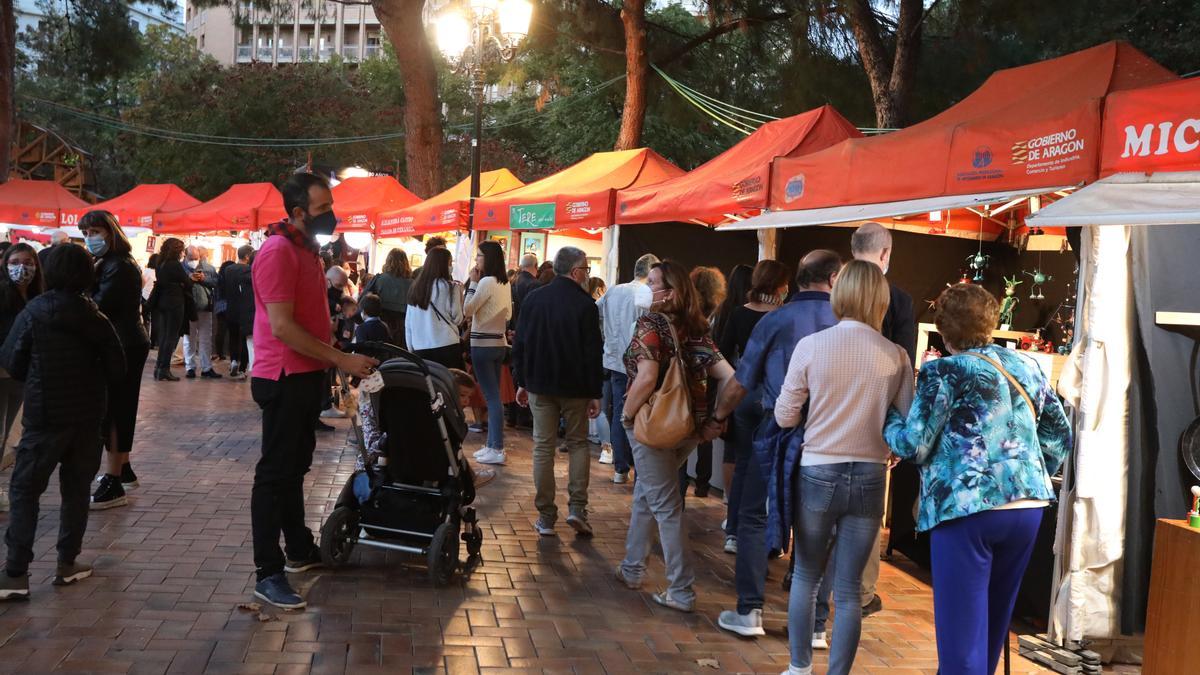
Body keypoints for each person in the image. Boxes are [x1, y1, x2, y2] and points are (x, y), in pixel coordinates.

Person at [884, 283, 1070, 675]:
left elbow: (914, 445)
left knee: (960, 640)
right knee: (990, 630)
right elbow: (1059, 434)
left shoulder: (944, 371)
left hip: (967, 509)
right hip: (1028, 507)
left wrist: (889, 419)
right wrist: (1024, 471)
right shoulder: (1025, 365)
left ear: (943, 328)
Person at [772, 260, 913, 675]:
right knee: (850, 591)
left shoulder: (812, 346)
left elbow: (784, 416)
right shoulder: (896, 355)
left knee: (806, 575)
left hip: (818, 468)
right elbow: (907, 423)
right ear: (881, 301)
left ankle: (799, 667)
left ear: (840, 294)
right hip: (871, 474)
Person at [248, 172, 377, 610]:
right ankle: (268, 571)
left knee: (293, 467)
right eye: (323, 208)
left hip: (305, 375)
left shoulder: (307, 252)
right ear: (299, 211)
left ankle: (298, 549)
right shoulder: (277, 251)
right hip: (281, 376)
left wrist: (333, 354)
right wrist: (340, 359)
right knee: (275, 474)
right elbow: (282, 327)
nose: (331, 214)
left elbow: (307, 320)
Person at [707, 250, 841, 639]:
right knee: (820, 529)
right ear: (833, 279)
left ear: (798, 279)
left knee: (752, 517)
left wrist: (717, 417)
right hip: (829, 437)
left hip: (776, 429)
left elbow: (740, 380)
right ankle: (815, 626)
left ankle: (750, 612)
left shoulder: (775, 319)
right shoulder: (849, 324)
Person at [0, 243, 125, 600]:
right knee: (75, 491)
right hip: (87, 417)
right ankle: (67, 563)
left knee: (25, 490)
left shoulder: (34, 312)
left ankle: (15, 572)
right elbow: (118, 369)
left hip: (43, 416)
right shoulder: (96, 317)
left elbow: (12, 359)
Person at [615, 260, 735, 613]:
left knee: (666, 507)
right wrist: (716, 418)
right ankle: (633, 567)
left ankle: (681, 590)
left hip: (653, 425)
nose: (648, 289)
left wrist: (626, 414)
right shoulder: (697, 328)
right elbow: (730, 378)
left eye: (653, 283)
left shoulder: (650, 323)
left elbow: (647, 376)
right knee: (647, 494)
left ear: (672, 291)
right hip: (688, 428)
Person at [511, 247, 604, 536]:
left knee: (542, 447)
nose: (587, 275)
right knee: (577, 444)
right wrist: (595, 391)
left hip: (539, 383)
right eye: (586, 270)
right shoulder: (586, 305)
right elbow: (592, 353)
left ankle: (546, 516)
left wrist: (522, 380)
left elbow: (521, 343)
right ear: (576, 271)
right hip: (575, 386)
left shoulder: (534, 299)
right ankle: (577, 508)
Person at [851, 221, 916, 616]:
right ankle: (860, 591)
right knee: (866, 515)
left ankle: (810, 581)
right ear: (886, 254)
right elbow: (903, 367)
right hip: (877, 423)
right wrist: (897, 434)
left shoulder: (833, 288)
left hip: (827, 425)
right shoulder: (900, 300)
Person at [715, 261, 788, 555]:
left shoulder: (738, 313)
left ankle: (733, 531)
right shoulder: (784, 316)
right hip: (776, 393)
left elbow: (720, 350)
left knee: (744, 463)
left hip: (744, 391)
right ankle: (770, 536)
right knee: (773, 467)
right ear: (782, 285)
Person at [80, 211, 152, 510]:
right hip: (124, 342)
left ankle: (114, 476)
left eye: (95, 231)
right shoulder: (112, 263)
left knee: (116, 409)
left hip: (123, 344)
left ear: (110, 232)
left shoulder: (118, 266)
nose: (90, 238)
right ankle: (121, 467)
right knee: (118, 408)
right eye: (85, 233)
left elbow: (100, 305)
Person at [597, 253, 658, 484]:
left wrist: (607, 335)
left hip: (613, 359)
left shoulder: (614, 290)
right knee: (638, 413)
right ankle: (640, 469)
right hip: (638, 362)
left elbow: (598, 311)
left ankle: (620, 469)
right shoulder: (645, 294)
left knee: (618, 413)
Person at [0, 244, 44, 512]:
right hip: (3, 370)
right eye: (15, 262)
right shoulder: (2, 294)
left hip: (20, 373)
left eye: (28, 262)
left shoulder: (39, 295)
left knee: (6, 433)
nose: (22, 268)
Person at [462, 240, 511, 464]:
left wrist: (472, 283)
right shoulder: (504, 282)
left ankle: (497, 447)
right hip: (498, 343)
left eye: (479, 256)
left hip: (482, 344)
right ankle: (492, 444)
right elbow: (508, 314)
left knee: (492, 397)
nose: (476, 260)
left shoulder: (486, 282)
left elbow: (467, 309)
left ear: (488, 259)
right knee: (494, 396)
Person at [682, 266, 726, 500]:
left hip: (685, 382)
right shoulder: (719, 315)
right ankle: (702, 483)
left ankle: (680, 491)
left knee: (679, 433)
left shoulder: (685, 316)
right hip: (709, 381)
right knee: (704, 432)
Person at [406, 247, 465, 370]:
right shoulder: (450, 287)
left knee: (428, 386)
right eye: (450, 263)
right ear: (443, 265)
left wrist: (411, 348)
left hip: (420, 347)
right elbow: (458, 319)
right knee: (449, 385)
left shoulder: (415, 288)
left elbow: (409, 323)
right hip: (447, 344)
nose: (451, 267)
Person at [149, 238, 192, 382]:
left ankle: (159, 368)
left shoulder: (160, 263)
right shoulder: (175, 265)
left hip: (162, 302)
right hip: (175, 303)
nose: (182, 253)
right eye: (181, 250)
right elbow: (187, 282)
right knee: (171, 337)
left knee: (164, 336)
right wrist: (188, 280)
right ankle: (164, 369)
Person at [182, 246, 221, 379]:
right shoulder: (181, 268)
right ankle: (190, 367)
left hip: (205, 307)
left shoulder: (209, 268)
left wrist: (204, 279)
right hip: (189, 307)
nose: (193, 260)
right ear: (185, 256)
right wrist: (189, 278)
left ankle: (206, 367)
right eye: (191, 258)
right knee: (189, 339)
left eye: (195, 258)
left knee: (205, 339)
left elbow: (216, 283)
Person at [360, 249, 411, 344]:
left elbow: (363, 300)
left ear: (388, 261)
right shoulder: (412, 283)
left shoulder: (379, 279)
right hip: (403, 327)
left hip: (381, 325)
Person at [220, 245, 255, 379]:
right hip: (245, 309)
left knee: (233, 337)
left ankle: (234, 360)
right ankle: (242, 367)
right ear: (247, 256)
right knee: (246, 338)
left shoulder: (228, 269)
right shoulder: (249, 270)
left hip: (230, 308)